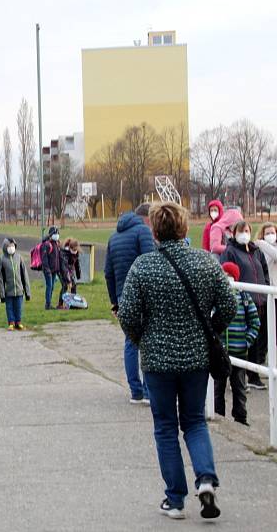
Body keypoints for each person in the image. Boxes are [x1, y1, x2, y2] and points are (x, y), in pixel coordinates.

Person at [118, 202, 236, 521]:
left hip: (157, 361)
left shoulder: (143, 267)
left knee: (166, 427)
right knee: (195, 421)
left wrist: (144, 339)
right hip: (196, 358)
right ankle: (206, 478)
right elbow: (229, 304)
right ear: (184, 229)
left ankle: (175, 499)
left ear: (154, 231)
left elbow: (127, 314)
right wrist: (210, 329)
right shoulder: (204, 263)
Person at [104, 203, 156, 404]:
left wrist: (114, 302)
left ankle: (136, 391)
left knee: (130, 342)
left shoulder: (113, 236)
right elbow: (150, 262)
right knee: (149, 342)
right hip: (143, 294)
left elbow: (108, 273)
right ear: (147, 218)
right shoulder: (143, 232)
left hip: (123, 295)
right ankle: (149, 391)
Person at [220, 220, 270, 390]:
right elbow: (226, 274)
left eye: (247, 230)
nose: (245, 234)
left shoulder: (256, 252)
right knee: (244, 340)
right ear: (234, 233)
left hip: (260, 301)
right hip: (243, 303)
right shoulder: (230, 251)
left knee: (259, 339)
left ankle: (254, 374)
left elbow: (264, 271)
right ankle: (243, 375)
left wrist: (265, 292)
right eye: (241, 231)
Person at [215, 262, 258, 426]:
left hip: (239, 351)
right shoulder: (216, 297)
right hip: (221, 353)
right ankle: (219, 416)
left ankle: (240, 419)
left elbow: (255, 322)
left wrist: (247, 341)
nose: (227, 279)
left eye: (230, 275)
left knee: (239, 388)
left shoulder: (245, 298)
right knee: (218, 388)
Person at [0, 238, 31, 331]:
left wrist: (27, 292)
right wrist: (2, 294)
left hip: (19, 290)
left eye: (12, 246)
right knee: (9, 307)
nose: (11, 248)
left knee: (19, 307)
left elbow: (24, 275)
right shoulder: (1, 260)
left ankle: (18, 322)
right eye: (9, 246)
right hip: (8, 291)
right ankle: (11, 322)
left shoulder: (19, 257)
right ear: (5, 247)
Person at [41, 226, 64, 310]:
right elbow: (44, 259)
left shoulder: (57, 244)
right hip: (48, 270)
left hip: (55, 270)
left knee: (52, 286)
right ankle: (47, 304)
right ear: (51, 234)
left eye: (58, 233)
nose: (57, 235)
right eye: (55, 233)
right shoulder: (47, 245)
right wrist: (47, 270)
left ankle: (49, 302)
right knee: (49, 286)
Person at [253, 222, 277, 286]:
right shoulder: (258, 249)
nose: (270, 235)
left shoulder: (262, 244)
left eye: (272, 233)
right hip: (263, 283)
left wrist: (262, 243)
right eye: (267, 233)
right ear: (263, 235)